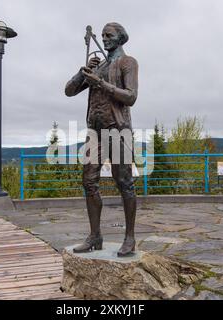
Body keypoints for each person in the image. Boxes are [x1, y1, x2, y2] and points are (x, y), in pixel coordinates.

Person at [65, 22, 139, 257]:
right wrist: (83, 72)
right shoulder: (97, 66)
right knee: (89, 182)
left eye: (109, 35)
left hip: (117, 130)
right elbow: (68, 90)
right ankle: (95, 236)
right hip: (94, 133)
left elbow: (131, 96)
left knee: (124, 183)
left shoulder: (128, 62)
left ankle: (129, 238)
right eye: (103, 35)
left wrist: (101, 84)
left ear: (121, 38)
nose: (105, 38)